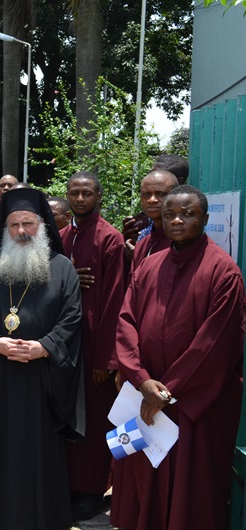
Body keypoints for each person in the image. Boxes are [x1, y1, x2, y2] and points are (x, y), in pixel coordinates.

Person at [113, 185, 244, 530]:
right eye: (170, 214)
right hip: (144, 393)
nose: (176, 220)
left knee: (190, 490)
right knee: (141, 478)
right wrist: (141, 380)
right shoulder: (148, 265)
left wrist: (164, 392)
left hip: (193, 401)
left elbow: (214, 345)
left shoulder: (224, 272)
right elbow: (126, 322)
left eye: (188, 214)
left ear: (205, 218)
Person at [0, 187, 84, 530]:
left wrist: (45, 346)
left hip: (40, 376)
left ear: (41, 225)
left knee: (37, 445)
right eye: (14, 225)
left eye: (28, 223)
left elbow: (72, 317)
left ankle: (39, 515)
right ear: (5, 229)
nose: (21, 231)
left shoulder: (62, 268)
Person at [59, 172, 126, 520]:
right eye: (75, 192)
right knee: (69, 415)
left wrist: (106, 357)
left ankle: (92, 490)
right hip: (63, 344)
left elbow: (115, 299)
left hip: (94, 345)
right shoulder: (61, 236)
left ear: (98, 196)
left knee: (97, 419)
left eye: (87, 193)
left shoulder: (109, 238)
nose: (80, 198)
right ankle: (69, 485)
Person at [123, 170, 180, 270]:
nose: (152, 200)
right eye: (146, 194)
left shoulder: (180, 242)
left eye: (161, 194)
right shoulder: (144, 243)